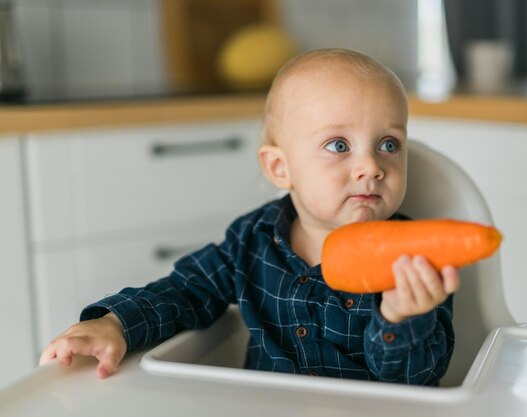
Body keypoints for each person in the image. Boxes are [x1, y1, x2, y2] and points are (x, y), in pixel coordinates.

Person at [39, 48, 460, 385]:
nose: (372, 166)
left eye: (389, 144)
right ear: (280, 168)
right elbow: (185, 291)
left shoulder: (415, 260)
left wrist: (404, 317)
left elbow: (418, 378)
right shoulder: (251, 240)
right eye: (338, 145)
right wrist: (115, 324)